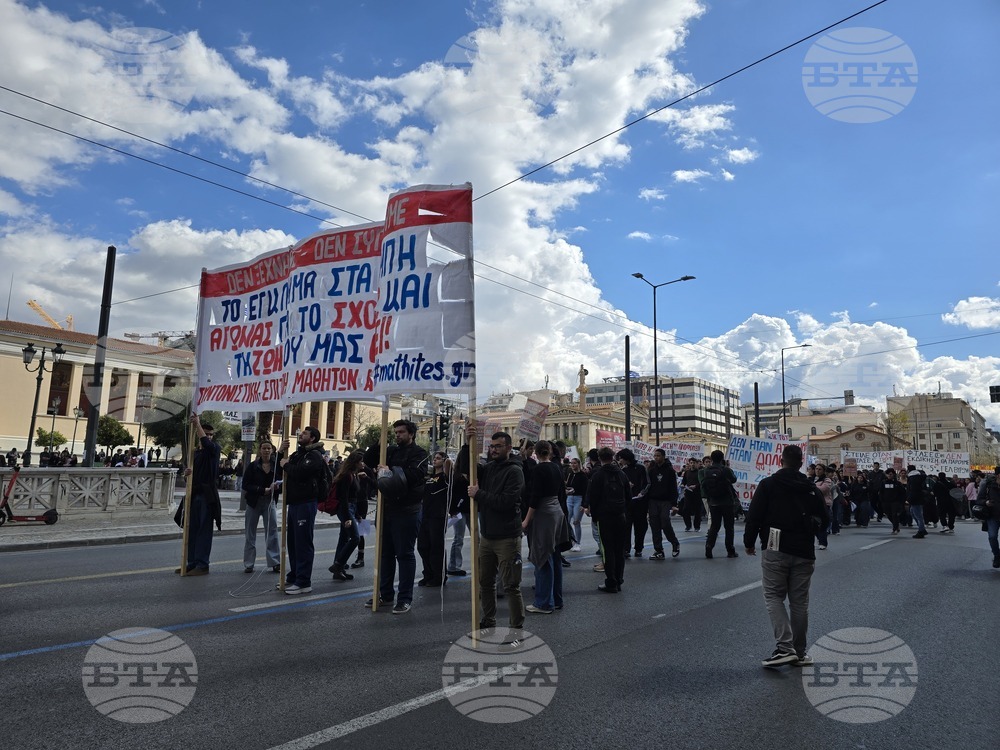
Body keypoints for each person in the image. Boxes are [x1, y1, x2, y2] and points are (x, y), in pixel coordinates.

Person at [744, 444, 828, 668]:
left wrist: (748, 542)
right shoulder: (811, 489)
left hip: (775, 544)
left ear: (781, 461)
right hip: (803, 548)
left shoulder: (769, 484)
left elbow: (754, 516)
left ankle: (784, 648)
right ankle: (799, 653)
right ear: (801, 463)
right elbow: (824, 520)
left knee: (773, 596)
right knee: (799, 602)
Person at [366, 419, 428, 614]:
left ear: (411, 434)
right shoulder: (390, 450)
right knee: (385, 554)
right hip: (386, 509)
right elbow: (368, 461)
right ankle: (385, 594)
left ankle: (404, 598)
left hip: (407, 510)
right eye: (395, 432)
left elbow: (413, 476)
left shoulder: (420, 454)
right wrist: (378, 444)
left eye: (401, 432)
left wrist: (388, 472)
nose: (397, 435)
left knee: (404, 554)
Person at [468, 430, 525, 639]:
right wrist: (468, 443)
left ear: (509, 448)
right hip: (487, 536)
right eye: (492, 446)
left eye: (498, 446)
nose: (493, 450)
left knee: (510, 585)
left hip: (507, 537)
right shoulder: (489, 468)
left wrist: (479, 494)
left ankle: (516, 628)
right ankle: (489, 619)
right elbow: (467, 469)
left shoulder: (515, 471)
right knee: (485, 582)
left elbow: (505, 502)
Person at [523, 440, 572, 612]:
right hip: (557, 511)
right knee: (555, 557)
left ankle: (543, 602)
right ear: (550, 452)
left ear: (536, 452)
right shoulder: (556, 468)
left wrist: (526, 520)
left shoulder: (538, 470)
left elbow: (534, 498)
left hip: (544, 513)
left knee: (543, 557)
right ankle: (556, 599)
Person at [278, 426, 326, 595]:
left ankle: (304, 581)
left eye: (305, 433)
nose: (301, 434)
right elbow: (282, 468)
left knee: (303, 542)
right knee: (293, 542)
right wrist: (280, 453)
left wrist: (286, 465)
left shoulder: (314, 455)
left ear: (312, 438)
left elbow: (300, 472)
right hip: (294, 502)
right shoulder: (299, 454)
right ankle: (294, 575)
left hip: (306, 502)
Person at [176, 414, 221, 576]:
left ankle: (203, 564)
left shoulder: (214, 449)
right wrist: (187, 473)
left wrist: (198, 425)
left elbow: (208, 446)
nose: (208, 436)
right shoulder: (195, 454)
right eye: (206, 433)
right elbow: (190, 473)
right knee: (191, 529)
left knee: (203, 530)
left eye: (210, 434)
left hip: (206, 496)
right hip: (193, 494)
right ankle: (191, 562)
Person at [586, 447, 630, 593]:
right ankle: (619, 579)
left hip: (605, 517)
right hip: (620, 516)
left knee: (608, 550)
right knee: (619, 550)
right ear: (612, 457)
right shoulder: (622, 474)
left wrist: (594, 516)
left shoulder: (598, 475)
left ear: (600, 458)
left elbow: (593, 497)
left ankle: (611, 581)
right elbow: (628, 497)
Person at [417, 452, 461, 588]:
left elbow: (449, 466)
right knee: (423, 546)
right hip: (425, 515)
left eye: (438, 458)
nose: (435, 460)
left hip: (438, 515)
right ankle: (428, 574)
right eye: (434, 458)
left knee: (436, 547)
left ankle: (439, 576)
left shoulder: (445, 477)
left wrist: (446, 459)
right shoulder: (429, 477)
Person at [329, 451, 373, 581]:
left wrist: (357, 514)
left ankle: (339, 570)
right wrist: (348, 517)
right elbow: (344, 498)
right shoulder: (346, 476)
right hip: (346, 509)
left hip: (353, 508)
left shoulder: (355, 475)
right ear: (355, 462)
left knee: (343, 538)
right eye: (361, 461)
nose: (363, 464)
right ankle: (338, 564)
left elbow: (354, 497)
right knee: (355, 538)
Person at [241, 440, 281, 574]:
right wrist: (261, 490)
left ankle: (275, 562)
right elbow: (245, 485)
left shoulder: (276, 467)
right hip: (253, 503)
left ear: (272, 450)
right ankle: (249, 564)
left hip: (270, 502)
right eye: (264, 448)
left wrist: (276, 487)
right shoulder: (253, 466)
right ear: (260, 450)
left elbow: (282, 483)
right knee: (250, 533)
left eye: (269, 448)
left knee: (272, 532)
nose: (266, 450)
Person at [700, 449, 739, 559]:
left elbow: (704, 484)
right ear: (722, 459)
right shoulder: (726, 470)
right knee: (729, 527)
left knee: (714, 526)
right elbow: (734, 480)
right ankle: (730, 550)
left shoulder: (706, 471)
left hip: (713, 502)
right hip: (727, 502)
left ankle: (709, 546)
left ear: (711, 459)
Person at [646, 449, 680, 560]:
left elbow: (673, 488)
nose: (656, 458)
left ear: (663, 456)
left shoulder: (670, 471)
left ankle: (674, 543)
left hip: (666, 501)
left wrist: (674, 504)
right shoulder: (651, 470)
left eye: (658, 456)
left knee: (665, 522)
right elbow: (647, 486)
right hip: (653, 501)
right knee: (654, 525)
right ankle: (658, 550)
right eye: (655, 456)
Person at [617, 448, 649, 558]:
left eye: (621, 458)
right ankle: (626, 548)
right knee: (626, 526)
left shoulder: (640, 468)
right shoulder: (622, 470)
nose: (620, 461)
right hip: (627, 502)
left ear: (626, 458)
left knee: (640, 527)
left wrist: (642, 493)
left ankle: (639, 548)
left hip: (639, 502)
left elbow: (647, 483)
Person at [976, 468, 1000, 568]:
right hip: (992, 515)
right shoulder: (988, 484)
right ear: (998, 475)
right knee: (992, 536)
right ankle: (997, 555)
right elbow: (979, 500)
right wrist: (985, 502)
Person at [564, 457, 588, 552]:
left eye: (574, 463)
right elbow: (568, 485)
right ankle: (573, 540)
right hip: (569, 499)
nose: (572, 465)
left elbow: (585, 490)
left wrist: (584, 504)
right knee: (567, 520)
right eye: (571, 463)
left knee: (576, 521)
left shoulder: (583, 475)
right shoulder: (570, 474)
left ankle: (578, 543)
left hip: (579, 499)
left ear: (578, 464)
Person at [680, 458, 704, 533]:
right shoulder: (687, 472)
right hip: (688, 493)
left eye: (694, 463)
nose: (692, 464)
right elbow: (684, 481)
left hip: (697, 494)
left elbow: (702, 482)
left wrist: (696, 486)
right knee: (685, 510)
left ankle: (697, 526)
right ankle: (688, 526)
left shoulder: (699, 472)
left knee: (697, 511)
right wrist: (682, 485)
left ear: (697, 464)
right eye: (691, 463)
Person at [905, 465, 928, 539]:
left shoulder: (913, 478)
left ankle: (921, 530)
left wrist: (909, 498)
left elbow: (913, 490)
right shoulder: (917, 476)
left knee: (918, 515)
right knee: (913, 512)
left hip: (915, 499)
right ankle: (922, 528)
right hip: (918, 498)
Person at [882, 468, 906, 534]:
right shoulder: (883, 483)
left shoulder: (897, 483)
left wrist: (901, 501)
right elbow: (881, 492)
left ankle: (895, 528)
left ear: (893, 475)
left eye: (891, 474)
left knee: (894, 515)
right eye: (888, 474)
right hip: (886, 502)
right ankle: (896, 524)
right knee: (889, 515)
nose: (889, 475)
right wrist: (882, 500)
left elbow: (903, 492)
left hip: (895, 502)